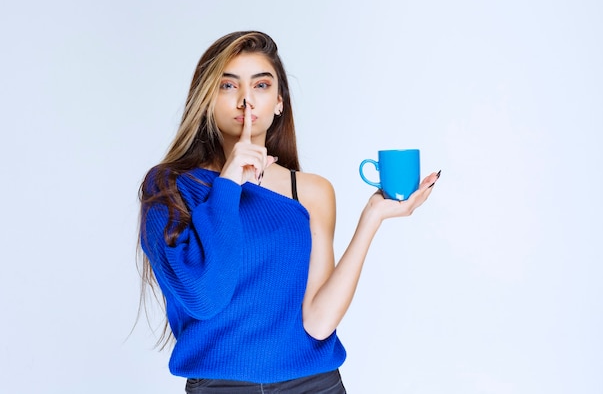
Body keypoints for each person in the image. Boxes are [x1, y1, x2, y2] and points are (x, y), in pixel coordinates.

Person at [138, 31, 441, 393]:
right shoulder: (169, 186)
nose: (246, 101)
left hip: (315, 384)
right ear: (207, 100)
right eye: (228, 86)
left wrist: (371, 218)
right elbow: (204, 297)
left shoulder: (310, 191)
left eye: (261, 85)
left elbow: (318, 322)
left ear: (279, 102)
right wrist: (229, 185)